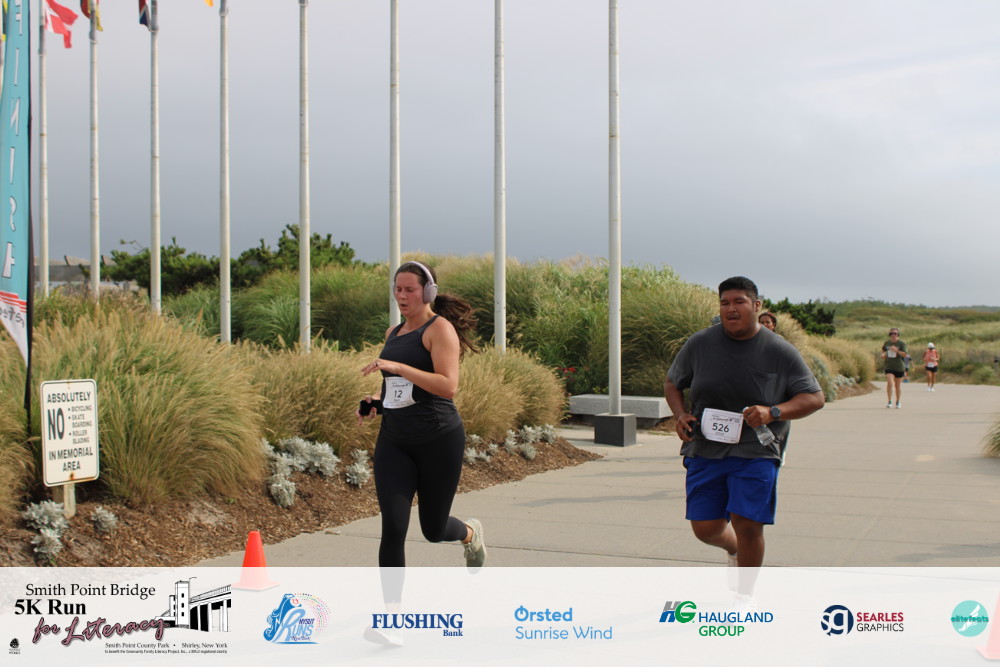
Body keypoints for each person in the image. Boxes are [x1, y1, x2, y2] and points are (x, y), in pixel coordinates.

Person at [663, 276, 824, 606]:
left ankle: (744, 596)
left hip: (757, 450)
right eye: (725, 303)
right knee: (705, 528)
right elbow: (672, 382)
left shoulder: (779, 350)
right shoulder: (700, 343)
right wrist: (680, 415)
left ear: (757, 305)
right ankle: (734, 549)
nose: (731, 309)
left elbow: (814, 398)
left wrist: (773, 411)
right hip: (706, 447)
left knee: (748, 524)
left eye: (739, 301)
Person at [357, 261, 485, 643]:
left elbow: (448, 385)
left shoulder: (439, 330)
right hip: (395, 442)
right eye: (398, 289)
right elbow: (395, 388)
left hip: (438, 440)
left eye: (410, 289)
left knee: (433, 529)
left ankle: (469, 533)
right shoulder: (393, 332)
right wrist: (375, 401)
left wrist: (398, 366)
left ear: (428, 292)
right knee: (393, 527)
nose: (402, 296)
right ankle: (391, 620)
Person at [881, 328, 907, 408]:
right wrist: (883, 355)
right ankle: (889, 401)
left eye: (895, 333)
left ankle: (898, 402)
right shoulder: (887, 343)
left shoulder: (902, 344)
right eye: (891, 333)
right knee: (890, 382)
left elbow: (905, 355)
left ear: (898, 334)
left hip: (899, 367)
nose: (893, 335)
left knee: (897, 386)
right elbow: (883, 350)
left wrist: (897, 351)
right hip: (889, 366)